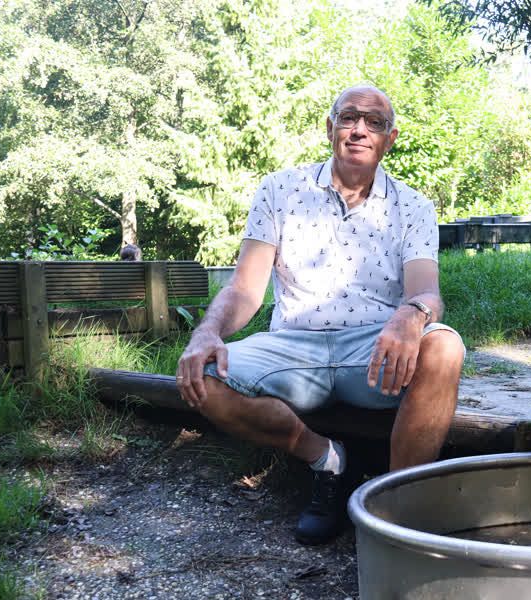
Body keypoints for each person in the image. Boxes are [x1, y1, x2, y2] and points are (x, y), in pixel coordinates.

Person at [176, 84, 465, 545]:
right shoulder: (279, 189)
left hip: (372, 352)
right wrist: (207, 331)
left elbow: (425, 291)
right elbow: (245, 288)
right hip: (292, 347)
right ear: (329, 128)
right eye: (348, 117)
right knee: (203, 377)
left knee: (445, 346)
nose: (359, 130)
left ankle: (395, 511)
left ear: (389, 139)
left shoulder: (414, 206)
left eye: (374, 122)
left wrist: (411, 314)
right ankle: (329, 461)